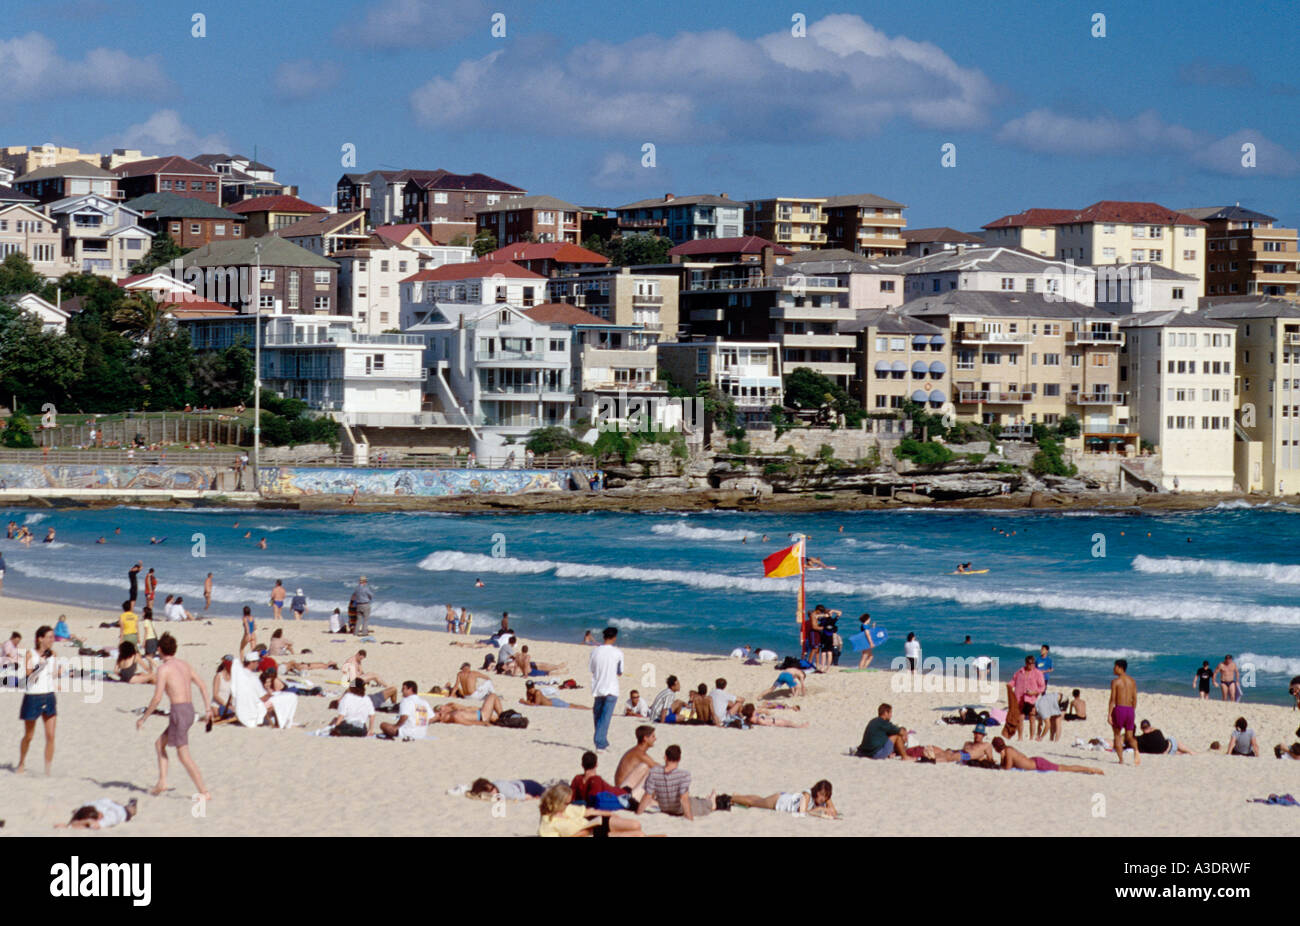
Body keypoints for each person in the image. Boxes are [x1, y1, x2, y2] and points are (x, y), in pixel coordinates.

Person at [137, 633, 213, 798]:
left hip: (179, 712)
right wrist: (207, 709)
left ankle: (204, 792)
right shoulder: (184, 665)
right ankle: (162, 782)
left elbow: (157, 698)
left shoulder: (163, 669)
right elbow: (202, 686)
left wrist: (144, 718)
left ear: (159, 649)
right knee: (159, 744)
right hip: (189, 710)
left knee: (183, 755)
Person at [17, 625, 59, 774]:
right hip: (33, 696)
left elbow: (54, 674)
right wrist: (39, 666)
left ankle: (47, 770)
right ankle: (21, 762)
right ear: (40, 639)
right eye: (49, 637)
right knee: (29, 736)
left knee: (51, 736)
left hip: (49, 696)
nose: (52, 640)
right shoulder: (30, 654)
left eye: (53, 637)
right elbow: (29, 677)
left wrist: (59, 673)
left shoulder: (53, 654)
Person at [636, 744, 719, 819]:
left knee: (695, 800)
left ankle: (709, 799)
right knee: (703, 804)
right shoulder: (684, 775)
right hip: (678, 809)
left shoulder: (654, 772)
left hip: (664, 808)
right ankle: (711, 802)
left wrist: (638, 813)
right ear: (679, 758)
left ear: (665, 757)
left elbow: (647, 795)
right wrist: (689, 818)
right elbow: (684, 798)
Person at [992, 737, 1104, 775]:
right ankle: (1088, 769)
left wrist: (1001, 757)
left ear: (996, 748)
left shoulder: (1008, 752)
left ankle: (1089, 769)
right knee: (1063, 767)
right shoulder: (1008, 749)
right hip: (1035, 761)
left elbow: (1007, 768)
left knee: (1064, 768)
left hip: (1038, 764)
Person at [590, 626, 623, 751]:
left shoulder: (595, 652)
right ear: (614, 638)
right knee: (605, 717)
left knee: (598, 716)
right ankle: (600, 742)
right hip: (611, 687)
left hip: (598, 687)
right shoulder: (618, 653)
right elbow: (620, 672)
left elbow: (592, 669)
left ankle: (602, 741)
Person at [731, 780, 837, 819]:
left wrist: (828, 803)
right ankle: (733, 798)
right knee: (754, 803)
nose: (823, 798)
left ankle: (739, 796)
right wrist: (819, 809)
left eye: (825, 796)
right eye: (821, 795)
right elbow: (802, 812)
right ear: (816, 791)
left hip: (784, 798)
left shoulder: (823, 800)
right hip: (779, 801)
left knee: (759, 800)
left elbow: (834, 812)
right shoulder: (807, 795)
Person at [1109, 658, 1141, 765]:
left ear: (1120, 668)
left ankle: (1121, 760)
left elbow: (1112, 699)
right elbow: (1135, 698)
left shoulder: (1115, 682)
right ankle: (1136, 751)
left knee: (1117, 735)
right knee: (1129, 736)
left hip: (1119, 709)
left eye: (1115, 667)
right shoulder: (1132, 681)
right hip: (1130, 710)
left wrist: (1109, 714)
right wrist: (1132, 710)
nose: (1113, 669)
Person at [615, 725, 659, 799]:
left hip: (623, 786)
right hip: (625, 790)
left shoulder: (636, 751)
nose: (655, 739)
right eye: (653, 736)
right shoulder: (639, 754)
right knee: (655, 773)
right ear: (645, 738)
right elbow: (658, 767)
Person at [1011, 655, 1045, 741]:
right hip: (1020, 698)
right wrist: (1009, 686)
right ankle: (1020, 737)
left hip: (1031, 699)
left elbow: (1042, 687)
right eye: (1030, 664)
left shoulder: (1038, 673)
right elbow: (1013, 681)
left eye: (1033, 663)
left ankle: (1031, 737)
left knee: (1032, 718)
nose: (1031, 665)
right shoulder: (1020, 671)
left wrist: (1034, 692)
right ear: (1026, 663)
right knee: (1020, 718)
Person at [56, 798, 139, 830]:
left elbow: (94, 825)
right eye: (99, 816)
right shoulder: (86, 808)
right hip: (110, 805)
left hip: (121, 810)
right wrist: (68, 826)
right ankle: (130, 803)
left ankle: (132, 804)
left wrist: (69, 826)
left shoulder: (109, 818)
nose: (101, 816)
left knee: (131, 810)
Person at [432, 693, 505, 725]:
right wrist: (484, 724)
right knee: (492, 696)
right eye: (440, 708)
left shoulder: (453, 711)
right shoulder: (454, 714)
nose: (443, 707)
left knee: (492, 697)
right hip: (483, 716)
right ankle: (504, 717)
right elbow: (467, 722)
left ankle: (503, 717)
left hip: (481, 714)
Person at [522, 680, 586, 710]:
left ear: (533, 686)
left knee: (573, 706)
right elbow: (529, 701)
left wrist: (523, 702)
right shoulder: (528, 692)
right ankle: (590, 708)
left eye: (530, 687)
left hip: (553, 703)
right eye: (529, 687)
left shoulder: (537, 692)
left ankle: (589, 709)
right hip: (551, 701)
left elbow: (535, 704)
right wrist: (526, 702)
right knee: (572, 705)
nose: (530, 689)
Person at [739, 703, 807, 729]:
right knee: (787, 723)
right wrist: (772, 724)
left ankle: (799, 726)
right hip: (774, 722)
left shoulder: (750, 718)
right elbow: (764, 723)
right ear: (752, 712)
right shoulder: (756, 719)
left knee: (787, 722)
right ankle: (799, 727)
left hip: (773, 721)